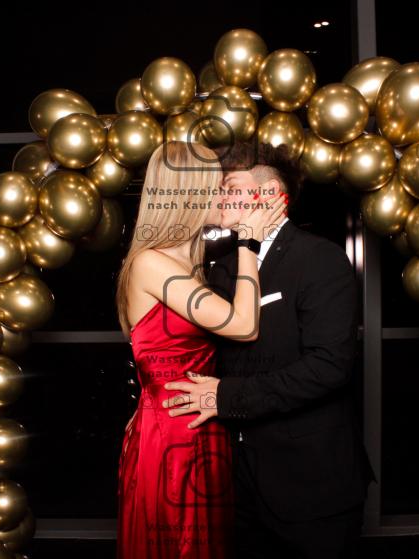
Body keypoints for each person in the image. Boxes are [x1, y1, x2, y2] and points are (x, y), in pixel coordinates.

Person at [161, 141, 377, 558]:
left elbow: (329, 367)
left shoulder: (320, 259)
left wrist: (226, 396)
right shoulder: (222, 267)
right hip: (238, 482)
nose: (217, 196)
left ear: (271, 195)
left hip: (312, 484)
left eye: (230, 187)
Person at [115, 140, 287, 559]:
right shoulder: (151, 263)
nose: (225, 197)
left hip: (199, 423)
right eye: (217, 187)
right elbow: (243, 326)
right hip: (172, 434)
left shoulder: (190, 264)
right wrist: (248, 242)